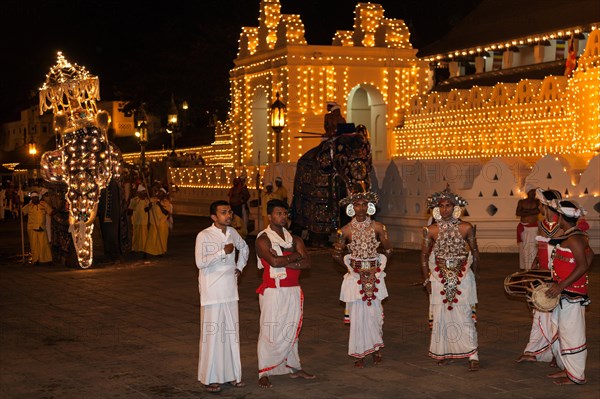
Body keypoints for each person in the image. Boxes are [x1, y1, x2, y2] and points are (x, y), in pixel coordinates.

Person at [255, 199, 315, 388]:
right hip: (273, 290)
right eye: (278, 213)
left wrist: (285, 258)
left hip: (293, 290)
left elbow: (307, 263)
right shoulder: (263, 239)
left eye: (285, 214)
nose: (283, 217)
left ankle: (294, 366)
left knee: (291, 330)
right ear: (270, 215)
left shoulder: (295, 239)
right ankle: (264, 370)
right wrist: (295, 256)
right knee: (269, 330)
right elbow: (273, 262)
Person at [420, 186, 480, 371]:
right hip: (438, 275)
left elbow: (476, 253)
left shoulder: (466, 227)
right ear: (436, 208)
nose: (445, 209)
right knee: (441, 315)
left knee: (464, 314)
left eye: (449, 205)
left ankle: (472, 354)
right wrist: (426, 280)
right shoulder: (430, 230)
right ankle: (443, 351)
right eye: (442, 205)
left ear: (455, 207)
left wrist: (473, 275)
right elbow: (423, 256)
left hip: (463, 275)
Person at [333, 191, 393, 368]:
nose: (361, 207)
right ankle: (359, 353)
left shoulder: (378, 227)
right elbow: (336, 255)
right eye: (358, 204)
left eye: (364, 204)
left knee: (374, 314)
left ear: (370, 207)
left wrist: (380, 268)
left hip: (374, 276)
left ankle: (376, 349)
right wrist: (351, 268)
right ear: (352, 208)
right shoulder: (344, 230)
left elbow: (389, 250)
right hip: (356, 278)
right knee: (358, 315)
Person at [195, 200, 249, 393]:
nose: (229, 215)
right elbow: (200, 263)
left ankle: (233, 375)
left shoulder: (233, 233)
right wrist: (221, 252)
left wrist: (239, 268)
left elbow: (244, 248)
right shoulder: (204, 235)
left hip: (230, 292)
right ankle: (209, 378)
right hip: (212, 293)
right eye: (224, 212)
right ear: (213, 217)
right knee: (212, 336)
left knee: (230, 335)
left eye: (230, 212)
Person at [545, 200, 594, 385]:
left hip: (570, 294)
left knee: (572, 334)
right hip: (566, 291)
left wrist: (561, 285)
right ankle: (568, 369)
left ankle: (576, 375)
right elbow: (590, 257)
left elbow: (582, 265)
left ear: (560, 218)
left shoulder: (574, 238)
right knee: (563, 331)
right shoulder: (575, 235)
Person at [517, 188, 562, 364]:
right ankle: (534, 351)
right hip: (543, 274)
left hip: (559, 275)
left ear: (548, 205)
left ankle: (558, 352)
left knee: (558, 315)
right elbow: (542, 248)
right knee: (540, 311)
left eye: (542, 204)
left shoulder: (563, 224)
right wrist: (536, 263)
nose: (539, 207)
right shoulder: (542, 225)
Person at [21, 191, 53, 264]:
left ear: (38, 197)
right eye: (33, 198)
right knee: (34, 244)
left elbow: (51, 212)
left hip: (42, 227)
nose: (35, 199)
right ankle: (36, 260)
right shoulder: (29, 206)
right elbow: (22, 213)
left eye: (36, 197)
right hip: (32, 228)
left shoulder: (44, 204)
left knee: (44, 244)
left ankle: (45, 259)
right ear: (31, 198)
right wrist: (20, 205)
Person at [516, 188, 540, 270]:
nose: (534, 193)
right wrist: (531, 211)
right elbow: (518, 213)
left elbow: (538, 211)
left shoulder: (537, 201)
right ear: (528, 192)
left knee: (533, 247)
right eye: (532, 191)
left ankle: (533, 267)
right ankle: (526, 267)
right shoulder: (521, 202)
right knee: (525, 248)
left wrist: (525, 211)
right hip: (524, 228)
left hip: (533, 228)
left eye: (534, 191)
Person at [144, 188, 172, 256]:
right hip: (154, 223)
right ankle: (146, 253)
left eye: (160, 193)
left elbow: (166, 213)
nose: (158, 194)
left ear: (163, 194)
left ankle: (160, 252)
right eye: (158, 193)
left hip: (162, 223)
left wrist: (160, 205)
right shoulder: (153, 201)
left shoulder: (166, 202)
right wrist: (149, 206)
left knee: (161, 239)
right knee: (151, 239)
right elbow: (146, 209)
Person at [128, 185, 150, 253]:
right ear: (139, 193)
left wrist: (149, 207)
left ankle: (144, 248)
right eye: (142, 192)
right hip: (136, 220)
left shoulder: (147, 201)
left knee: (144, 236)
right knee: (136, 235)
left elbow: (146, 210)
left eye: (144, 192)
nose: (144, 194)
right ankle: (134, 248)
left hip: (144, 221)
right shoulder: (134, 200)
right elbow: (130, 210)